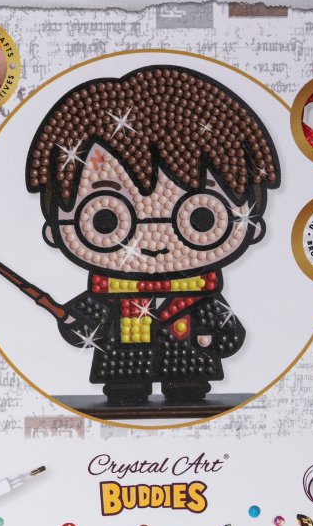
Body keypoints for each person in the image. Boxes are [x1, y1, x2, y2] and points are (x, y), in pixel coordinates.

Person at [26, 65, 280, 405]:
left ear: (253, 226)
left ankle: (184, 388)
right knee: (124, 396)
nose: (153, 238)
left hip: (189, 363)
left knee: (189, 395)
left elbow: (229, 334)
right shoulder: (108, 293)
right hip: (122, 367)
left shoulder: (201, 294)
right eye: (106, 219)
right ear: (54, 231)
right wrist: (69, 320)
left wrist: (219, 337)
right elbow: (83, 328)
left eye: (201, 217)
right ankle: (130, 389)